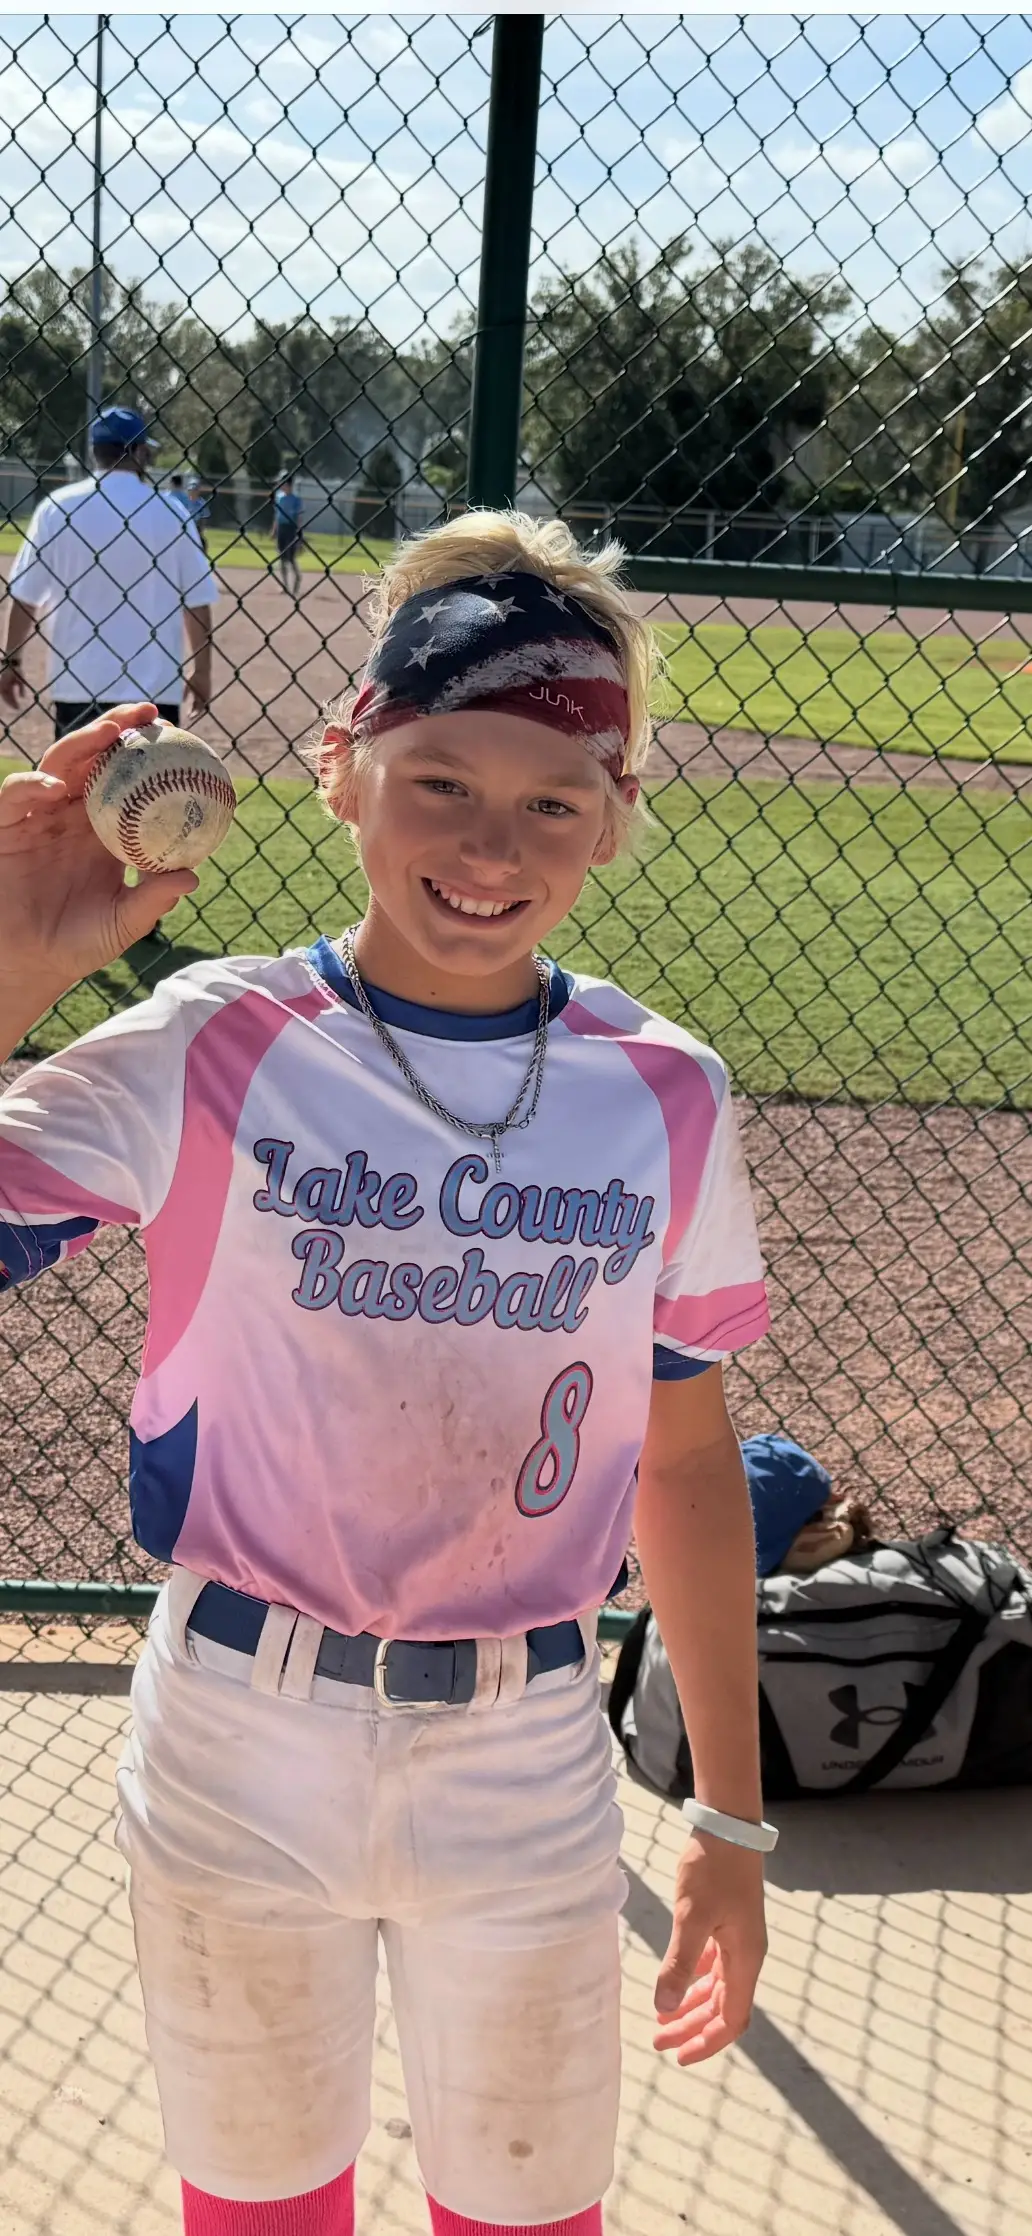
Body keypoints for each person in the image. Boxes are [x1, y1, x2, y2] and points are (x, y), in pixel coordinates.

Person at [0, 510, 774, 2236]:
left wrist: (731, 1816)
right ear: (343, 770)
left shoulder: (663, 1090)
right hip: (239, 1739)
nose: (492, 843)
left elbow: (682, 1459)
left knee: (529, 2213)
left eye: (555, 802)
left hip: (527, 1748)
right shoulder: (218, 1041)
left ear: (614, 820)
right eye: (440, 780)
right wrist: (7, 974)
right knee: (262, 2211)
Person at [0, 407, 217, 738]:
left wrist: (11, 661)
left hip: (79, 686)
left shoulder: (56, 508)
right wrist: (202, 671)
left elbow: (25, 596)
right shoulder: (172, 513)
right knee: (153, 774)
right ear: (139, 451)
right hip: (154, 693)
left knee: (81, 773)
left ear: (94, 451)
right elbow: (196, 602)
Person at [273, 472, 304, 594]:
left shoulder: (296, 499)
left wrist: (299, 533)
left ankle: (297, 577)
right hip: (281, 528)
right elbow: (277, 515)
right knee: (281, 557)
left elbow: (299, 518)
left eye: (282, 483)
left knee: (290, 557)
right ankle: (285, 585)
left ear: (288, 484)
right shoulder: (279, 497)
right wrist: (274, 529)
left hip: (291, 528)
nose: (280, 485)